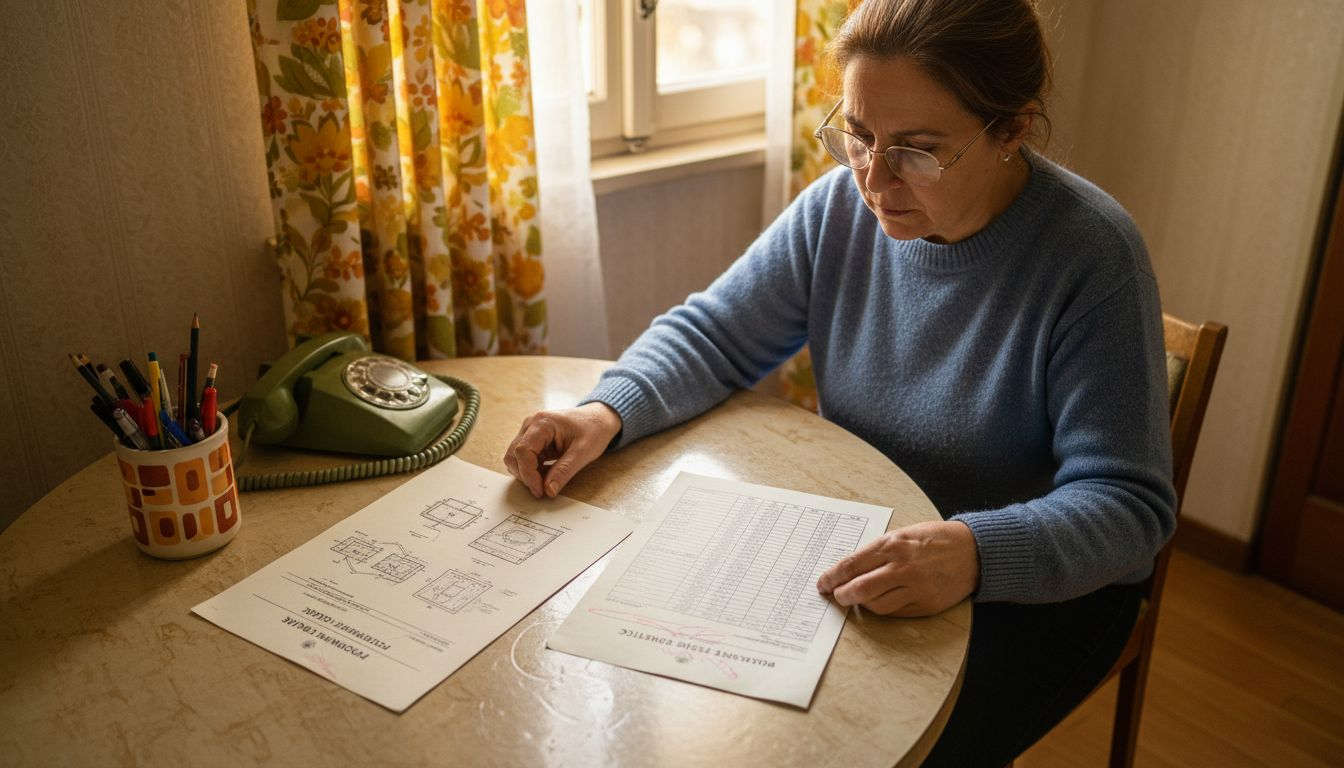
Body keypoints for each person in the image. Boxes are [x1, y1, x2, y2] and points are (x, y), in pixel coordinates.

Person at [503, 0, 1175, 763]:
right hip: (865, 543)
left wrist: (976, 553)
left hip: (1033, 592)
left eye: (917, 151)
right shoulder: (837, 211)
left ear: (1012, 130)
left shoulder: (1092, 257)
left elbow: (1128, 507)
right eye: (858, 135)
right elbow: (715, 333)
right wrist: (606, 411)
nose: (873, 180)